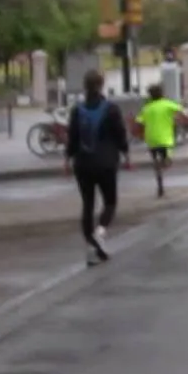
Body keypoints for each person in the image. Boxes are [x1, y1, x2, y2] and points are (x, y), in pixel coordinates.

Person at [65, 70, 132, 266]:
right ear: (102, 85)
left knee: (87, 204)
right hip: (107, 162)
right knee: (110, 202)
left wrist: (67, 159)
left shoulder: (77, 110)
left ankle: (90, 249)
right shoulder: (111, 109)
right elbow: (120, 134)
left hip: (83, 163)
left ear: (85, 86)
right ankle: (100, 233)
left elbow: (72, 137)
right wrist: (126, 153)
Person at [135, 84, 188, 197]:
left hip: (151, 140)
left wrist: (140, 134)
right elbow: (182, 114)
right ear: (162, 93)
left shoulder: (146, 108)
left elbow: (139, 123)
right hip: (165, 140)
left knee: (156, 162)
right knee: (167, 162)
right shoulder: (168, 104)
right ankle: (164, 162)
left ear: (150, 96)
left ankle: (160, 185)